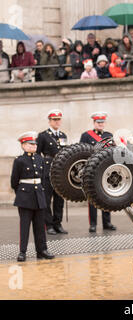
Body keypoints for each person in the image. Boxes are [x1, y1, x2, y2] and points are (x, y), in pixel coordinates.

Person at [11, 132, 55, 262]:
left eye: (34, 144)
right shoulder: (19, 160)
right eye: (30, 144)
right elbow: (14, 181)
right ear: (23, 145)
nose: (34, 146)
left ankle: (42, 250)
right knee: (24, 226)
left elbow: (42, 178)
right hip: (25, 196)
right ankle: (22, 252)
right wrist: (21, 194)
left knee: (40, 226)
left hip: (39, 196)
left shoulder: (40, 159)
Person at [79, 112, 117, 233]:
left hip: (106, 170)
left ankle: (107, 222)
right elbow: (81, 152)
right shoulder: (86, 136)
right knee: (92, 198)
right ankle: (93, 224)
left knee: (106, 196)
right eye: (98, 122)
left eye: (102, 122)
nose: (100, 124)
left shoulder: (109, 135)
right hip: (92, 170)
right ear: (94, 123)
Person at [37, 109, 68, 235]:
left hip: (60, 170)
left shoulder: (63, 136)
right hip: (48, 169)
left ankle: (57, 223)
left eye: (58, 119)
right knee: (47, 198)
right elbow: (38, 154)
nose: (57, 122)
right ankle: (48, 224)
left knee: (59, 198)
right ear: (50, 121)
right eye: (54, 120)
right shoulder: (43, 135)